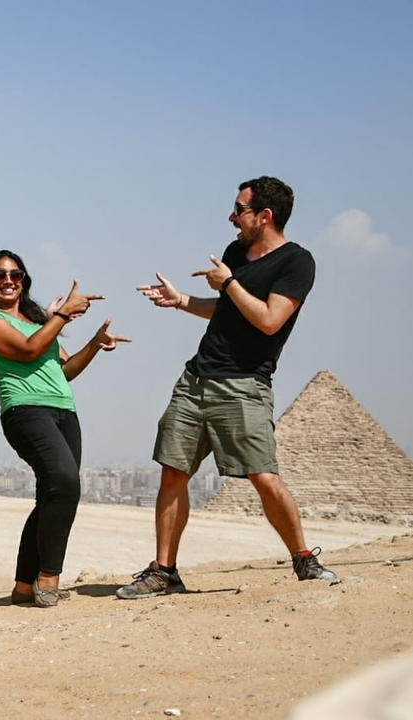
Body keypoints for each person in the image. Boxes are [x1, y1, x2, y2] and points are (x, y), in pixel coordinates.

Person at [117, 176, 338, 600]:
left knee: (264, 477)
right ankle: (164, 570)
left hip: (244, 386)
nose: (231, 217)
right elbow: (230, 311)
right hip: (195, 379)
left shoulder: (297, 262)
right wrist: (181, 300)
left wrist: (229, 283)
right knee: (172, 472)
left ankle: (304, 558)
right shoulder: (237, 252)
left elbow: (270, 319)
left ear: (265, 216)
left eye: (239, 209)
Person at [0, 250, 127, 607]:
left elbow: (66, 369)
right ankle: (49, 576)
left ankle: (24, 586)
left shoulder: (36, 322)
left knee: (49, 496)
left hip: (64, 411)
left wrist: (94, 344)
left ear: (24, 279)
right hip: (25, 410)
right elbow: (28, 351)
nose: (8, 280)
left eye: (16, 274)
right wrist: (61, 315)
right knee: (65, 481)